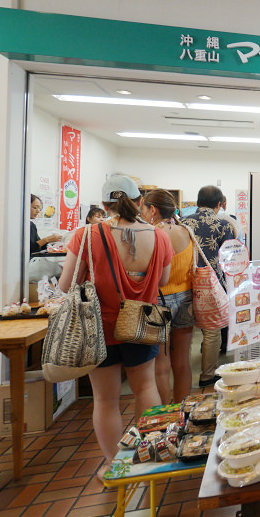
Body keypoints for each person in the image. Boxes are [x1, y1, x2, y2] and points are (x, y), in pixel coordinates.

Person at [58, 175, 173, 482]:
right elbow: (162, 281)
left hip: (100, 326)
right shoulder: (159, 236)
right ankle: (147, 455)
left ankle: (114, 465)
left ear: (105, 204)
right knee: (146, 387)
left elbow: (65, 283)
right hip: (142, 321)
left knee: (106, 399)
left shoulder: (85, 234)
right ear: (139, 202)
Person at [141, 190, 195, 405]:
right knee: (182, 362)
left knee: (161, 366)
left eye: (143, 208)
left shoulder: (150, 234)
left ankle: (167, 418)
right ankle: (184, 413)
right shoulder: (186, 231)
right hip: (186, 300)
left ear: (153, 210)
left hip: (158, 301)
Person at [182, 185, 237, 386]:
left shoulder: (182, 223)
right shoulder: (224, 225)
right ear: (218, 204)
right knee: (212, 330)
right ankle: (207, 375)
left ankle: (182, 377)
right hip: (211, 284)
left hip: (184, 283)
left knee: (184, 333)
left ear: (198, 202)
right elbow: (229, 258)